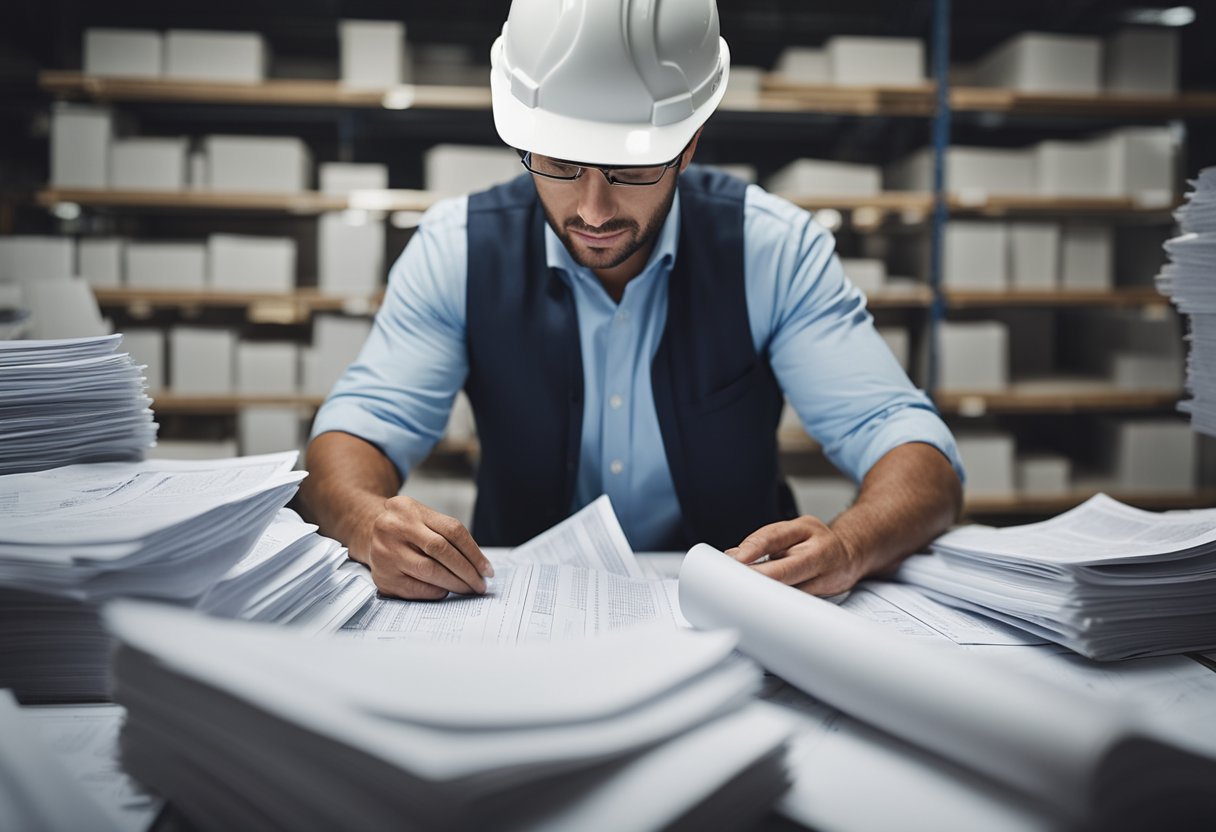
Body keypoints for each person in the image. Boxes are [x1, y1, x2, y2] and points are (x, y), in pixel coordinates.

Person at [296, 0, 964, 602]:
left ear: (689, 142)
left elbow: (914, 451)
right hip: (517, 613)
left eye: (630, 169)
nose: (592, 209)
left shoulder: (772, 249)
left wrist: (850, 546)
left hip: (735, 616)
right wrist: (363, 518)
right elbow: (356, 430)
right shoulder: (457, 250)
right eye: (558, 163)